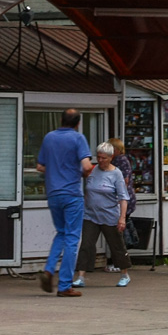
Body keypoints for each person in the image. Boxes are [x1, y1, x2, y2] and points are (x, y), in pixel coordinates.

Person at [37, 109, 93, 296]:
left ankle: (49, 269)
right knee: (71, 238)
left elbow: (40, 166)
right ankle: (64, 286)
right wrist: (83, 173)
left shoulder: (49, 138)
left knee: (61, 232)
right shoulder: (78, 138)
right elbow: (86, 166)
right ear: (77, 123)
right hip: (71, 193)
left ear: (61, 120)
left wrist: (55, 171)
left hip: (53, 193)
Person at [72, 141, 132, 288]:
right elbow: (88, 191)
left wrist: (122, 218)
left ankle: (124, 274)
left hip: (110, 216)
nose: (100, 160)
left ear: (111, 157)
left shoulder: (116, 173)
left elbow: (123, 198)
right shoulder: (93, 170)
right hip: (91, 215)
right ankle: (81, 276)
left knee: (116, 246)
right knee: (86, 245)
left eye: (104, 158)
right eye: (98, 157)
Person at [107, 138, 136, 272]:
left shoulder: (120, 161)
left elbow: (124, 181)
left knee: (118, 233)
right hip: (123, 198)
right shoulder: (120, 160)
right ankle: (120, 261)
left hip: (122, 200)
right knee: (119, 231)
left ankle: (119, 262)